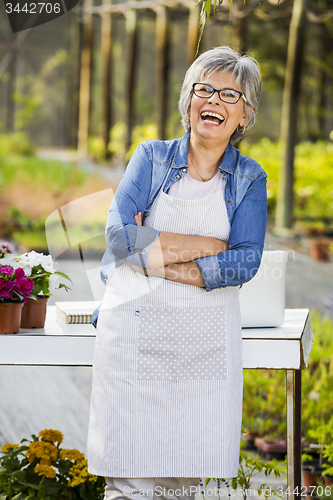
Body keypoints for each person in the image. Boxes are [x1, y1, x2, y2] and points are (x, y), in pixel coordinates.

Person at [87, 46, 267, 500]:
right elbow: (119, 240)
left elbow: (244, 261)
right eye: (203, 89)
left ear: (245, 115)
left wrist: (156, 256)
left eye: (230, 94)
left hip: (202, 344)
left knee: (178, 485)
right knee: (127, 482)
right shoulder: (150, 157)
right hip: (134, 332)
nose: (214, 101)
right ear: (187, 102)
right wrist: (210, 250)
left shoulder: (250, 177)